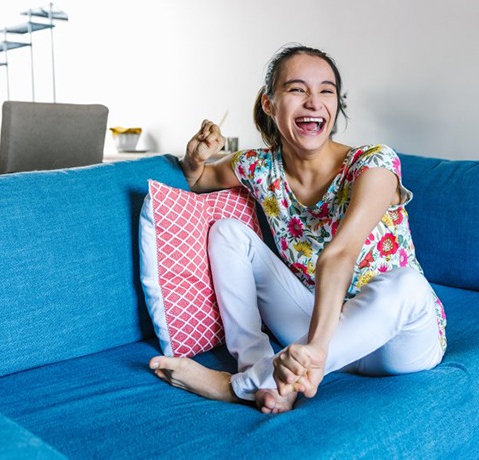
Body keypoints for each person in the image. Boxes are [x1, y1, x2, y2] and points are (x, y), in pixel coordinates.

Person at [149, 43, 447, 414]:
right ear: (269, 103)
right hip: (315, 334)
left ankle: (240, 385)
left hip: (397, 344)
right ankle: (262, 373)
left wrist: (318, 349)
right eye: (296, 89)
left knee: (407, 284)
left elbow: (340, 253)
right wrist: (195, 157)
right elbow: (199, 179)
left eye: (326, 90)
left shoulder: (374, 163)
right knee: (226, 231)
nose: (313, 101)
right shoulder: (258, 167)